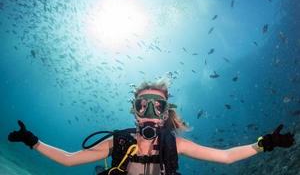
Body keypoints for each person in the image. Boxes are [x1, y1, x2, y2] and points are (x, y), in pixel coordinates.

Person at [8, 80, 295, 175]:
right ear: (134, 112)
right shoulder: (116, 142)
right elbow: (69, 160)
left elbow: (226, 156)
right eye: (141, 106)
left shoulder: (175, 144)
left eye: (157, 107)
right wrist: (33, 141)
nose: (149, 113)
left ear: (165, 114)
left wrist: (263, 143)